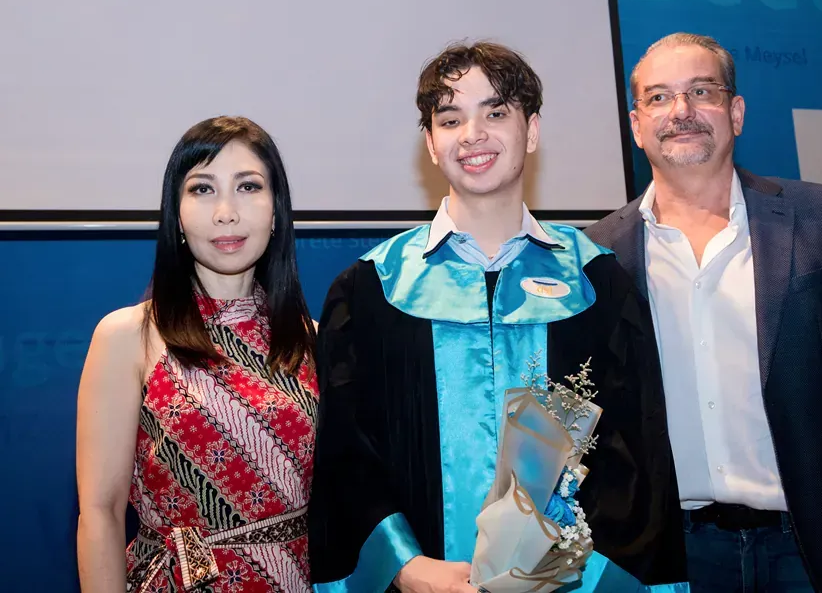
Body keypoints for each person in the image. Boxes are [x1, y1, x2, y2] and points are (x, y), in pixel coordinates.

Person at [307, 42, 687, 593]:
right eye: (450, 118)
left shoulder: (596, 283)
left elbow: (637, 453)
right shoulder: (372, 289)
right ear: (431, 146)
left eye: (495, 112)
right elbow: (347, 455)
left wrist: (574, 566)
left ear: (531, 131)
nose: (472, 134)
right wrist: (406, 567)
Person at [585, 32, 822, 593]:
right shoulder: (598, 254)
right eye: (658, 98)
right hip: (672, 562)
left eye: (701, 91)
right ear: (636, 125)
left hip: (815, 553)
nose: (681, 111)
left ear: (736, 112)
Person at [75, 116, 319, 592]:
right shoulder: (130, 335)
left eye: (248, 187)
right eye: (202, 189)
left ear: (276, 210)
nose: (226, 212)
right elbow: (100, 512)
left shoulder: (315, 341)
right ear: (177, 215)